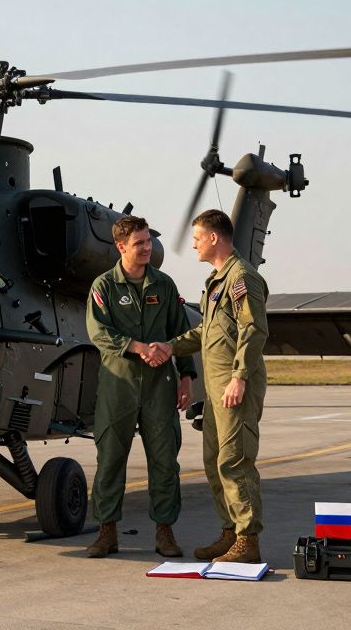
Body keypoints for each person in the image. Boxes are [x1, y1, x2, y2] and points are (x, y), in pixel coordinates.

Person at [149, 208, 269, 563]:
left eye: (198, 238)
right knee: (215, 461)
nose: (195, 245)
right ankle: (230, 533)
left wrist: (240, 377)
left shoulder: (241, 277)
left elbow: (253, 330)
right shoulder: (217, 281)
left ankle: (248, 541)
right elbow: (208, 332)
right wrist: (172, 346)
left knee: (235, 461)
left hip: (235, 387)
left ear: (214, 238)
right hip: (216, 390)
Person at [84, 215, 196, 559]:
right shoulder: (104, 286)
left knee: (165, 461)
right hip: (119, 385)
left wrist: (186, 376)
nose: (148, 248)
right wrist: (138, 347)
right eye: (140, 243)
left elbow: (181, 331)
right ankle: (106, 533)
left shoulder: (164, 286)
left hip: (160, 387)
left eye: (148, 241)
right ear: (121, 247)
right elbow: (98, 332)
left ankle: (165, 532)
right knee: (110, 461)